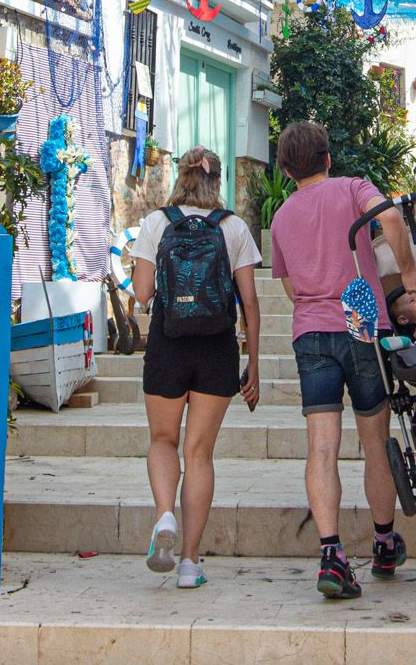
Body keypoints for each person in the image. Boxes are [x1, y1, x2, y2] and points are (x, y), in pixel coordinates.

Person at [268, 120, 416, 599]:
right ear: (328, 158)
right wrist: (410, 268)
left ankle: (332, 556)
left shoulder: (280, 217)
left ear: (286, 169)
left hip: (311, 334)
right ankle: (382, 543)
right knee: (375, 441)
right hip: (360, 327)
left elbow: (291, 286)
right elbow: (393, 218)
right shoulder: (353, 188)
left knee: (321, 446)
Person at [127, 146, 262, 590]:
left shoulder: (156, 222)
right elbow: (249, 304)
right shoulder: (234, 227)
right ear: (216, 181)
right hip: (216, 349)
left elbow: (144, 294)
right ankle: (189, 563)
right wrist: (254, 364)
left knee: (163, 442)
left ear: (179, 178)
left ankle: (165, 513)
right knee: (199, 454)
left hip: (168, 343)